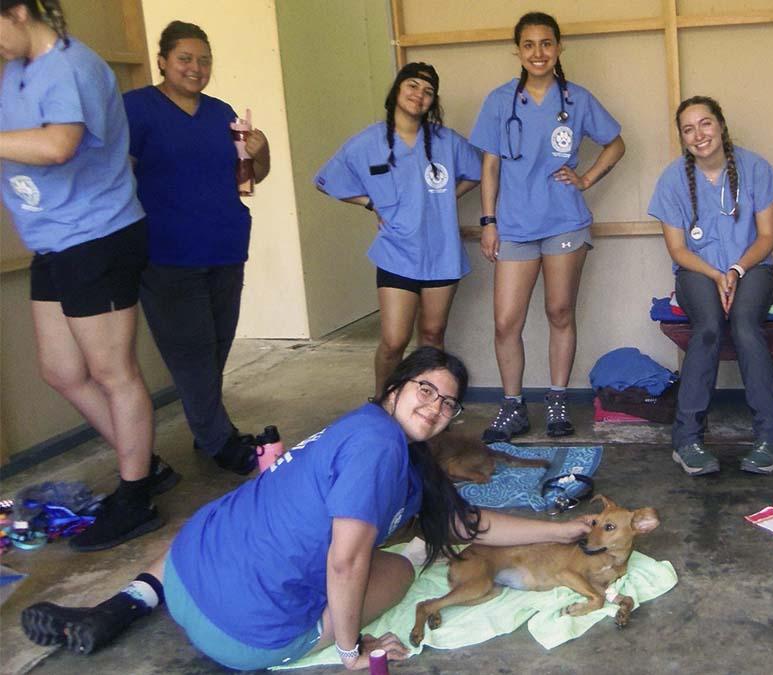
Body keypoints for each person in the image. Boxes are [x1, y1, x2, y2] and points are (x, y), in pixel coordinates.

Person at [21, 347, 593, 671]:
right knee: (394, 564)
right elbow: (347, 564)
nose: (436, 406)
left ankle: (124, 605)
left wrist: (565, 526)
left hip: (187, 574)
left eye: (447, 403)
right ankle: (392, 576)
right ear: (394, 387)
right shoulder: (379, 448)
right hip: (245, 639)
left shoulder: (363, 430)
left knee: (213, 523)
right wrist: (351, 652)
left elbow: (470, 523)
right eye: (425, 389)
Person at [0, 0, 177, 551]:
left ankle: (135, 498)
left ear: (20, 12)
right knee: (60, 370)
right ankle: (143, 461)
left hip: (97, 235)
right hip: (53, 239)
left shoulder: (74, 66)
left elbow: (58, 145)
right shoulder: (15, 69)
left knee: (112, 371)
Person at [124, 21, 272, 475]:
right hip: (167, 255)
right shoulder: (136, 109)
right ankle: (218, 439)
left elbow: (250, 176)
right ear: (163, 61)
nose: (196, 68)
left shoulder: (220, 112)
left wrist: (261, 149)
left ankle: (207, 427)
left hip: (225, 247)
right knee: (191, 352)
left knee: (216, 348)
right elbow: (112, 176)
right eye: (185, 58)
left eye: (204, 59)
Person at [469, 11, 625, 442]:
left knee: (559, 311)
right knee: (505, 322)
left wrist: (587, 178)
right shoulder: (500, 101)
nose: (538, 52)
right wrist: (488, 221)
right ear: (517, 51)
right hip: (515, 224)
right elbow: (490, 165)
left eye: (546, 43)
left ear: (559, 47)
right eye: (529, 45)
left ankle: (557, 400)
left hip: (564, 221)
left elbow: (616, 142)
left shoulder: (576, 99)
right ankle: (513, 405)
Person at [316, 62, 480, 400]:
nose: (419, 94)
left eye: (428, 91)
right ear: (397, 90)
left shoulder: (446, 142)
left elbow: (479, 170)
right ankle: (383, 404)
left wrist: (449, 196)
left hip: (440, 252)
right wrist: (370, 203)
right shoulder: (367, 142)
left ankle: (428, 405)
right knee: (394, 341)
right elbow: (326, 180)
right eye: (413, 85)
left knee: (433, 335)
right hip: (397, 254)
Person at [647, 96, 773, 476]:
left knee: (744, 325)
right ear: (682, 138)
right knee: (707, 328)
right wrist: (715, 274)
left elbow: (768, 235)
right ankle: (687, 439)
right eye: (688, 129)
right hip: (696, 270)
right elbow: (677, 248)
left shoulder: (756, 168)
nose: (699, 135)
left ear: (721, 125)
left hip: (752, 266)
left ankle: (770, 438)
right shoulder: (673, 179)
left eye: (705, 124)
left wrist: (737, 269)